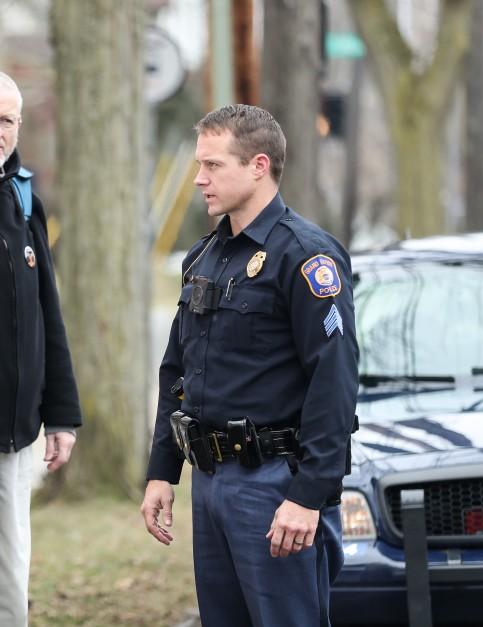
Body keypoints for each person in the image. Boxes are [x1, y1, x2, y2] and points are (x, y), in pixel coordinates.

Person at [139, 104, 358, 627]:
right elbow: (179, 370)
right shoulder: (205, 256)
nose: (199, 179)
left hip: (274, 485)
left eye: (213, 166)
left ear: (259, 166)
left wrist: (308, 496)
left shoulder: (306, 256)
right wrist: (162, 470)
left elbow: (335, 383)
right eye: (199, 164)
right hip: (211, 481)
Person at [0, 68, 82, 627]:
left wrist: (62, 415)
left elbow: (46, 311)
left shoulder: (23, 199)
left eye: (6, 120)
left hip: (19, 432)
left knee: (8, 579)